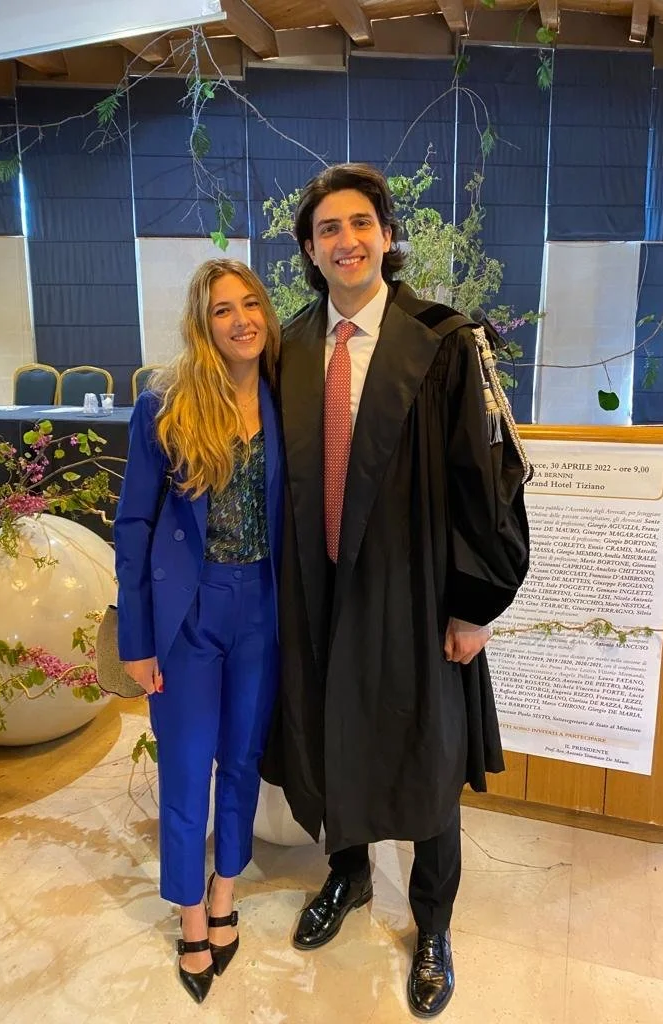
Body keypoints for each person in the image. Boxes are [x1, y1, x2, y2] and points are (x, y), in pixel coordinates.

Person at [261, 163, 531, 1018]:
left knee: (426, 754)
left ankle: (434, 923)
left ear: (385, 233)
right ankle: (344, 874)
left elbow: (488, 482)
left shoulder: (443, 342)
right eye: (327, 229)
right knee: (332, 737)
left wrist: (475, 604)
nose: (345, 241)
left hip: (413, 592)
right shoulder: (292, 348)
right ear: (309, 248)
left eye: (359, 224)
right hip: (318, 587)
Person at [114, 258, 283, 1005]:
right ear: (201, 322)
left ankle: (223, 890)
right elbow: (134, 524)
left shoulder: (286, 401)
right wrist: (135, 638)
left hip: (264, 609)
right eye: (223, 309)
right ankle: (188, 915)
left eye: (252, 304)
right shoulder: (163, 408)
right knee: (186, 771)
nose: (242, 319)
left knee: (242, 761)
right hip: (187, 610)